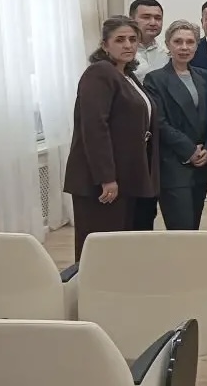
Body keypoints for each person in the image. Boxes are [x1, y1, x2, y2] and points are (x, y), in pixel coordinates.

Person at [64, 16, 160, 259]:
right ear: (104, 45)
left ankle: (117, 282)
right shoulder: (99, 73)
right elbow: (95, 128)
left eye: (132, 39)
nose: (128, 45)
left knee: (119, 245)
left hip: (126, 174)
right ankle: (92, 284)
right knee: (101, 246)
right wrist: (106, 177)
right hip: (102, 179)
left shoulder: (127, 74)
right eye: (120, 40)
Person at [143, 21, 207, 231]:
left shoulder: (204, 75)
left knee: (194, 226)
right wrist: (189, 150)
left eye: (190, 42)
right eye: (178, 42)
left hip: (202, 163)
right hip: (173, 164)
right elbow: (158, 122)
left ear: (196, 45)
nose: (184, 47)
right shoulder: (155, 79)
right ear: (168, 44)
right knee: (180, 229)